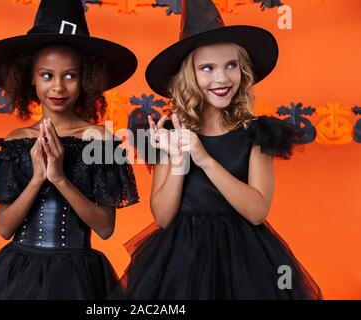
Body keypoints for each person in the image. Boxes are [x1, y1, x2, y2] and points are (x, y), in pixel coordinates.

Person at [121, 0, 323, 299]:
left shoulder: (257, 133)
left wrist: (203, 159)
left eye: (232, 66)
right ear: (189, 76)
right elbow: (162, 217)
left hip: (245, 260)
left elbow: (256, 211)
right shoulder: (170, 133)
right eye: (207, 68)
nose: (222, 78)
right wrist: (178, 158)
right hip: (180, 259)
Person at [0, 0, 139, 299]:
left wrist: (59, 178)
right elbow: (4, 228)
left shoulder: (101, 140)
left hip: (78, 275)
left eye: (70, 75)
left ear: (85, 79)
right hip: (18, 271)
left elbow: (105, 228)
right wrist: (36, 178)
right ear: (30, 76)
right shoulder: (17, 141)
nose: (58, 87)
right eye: (47, 75)